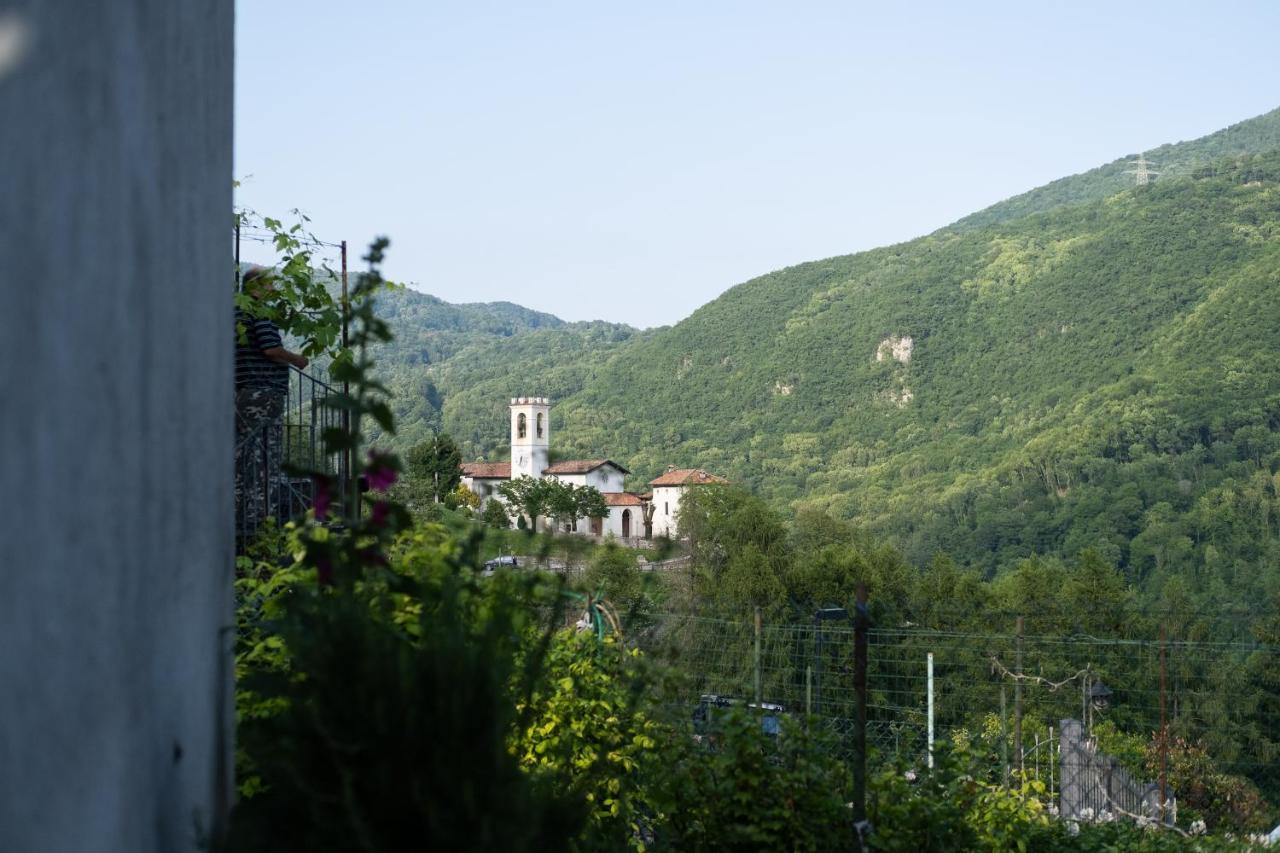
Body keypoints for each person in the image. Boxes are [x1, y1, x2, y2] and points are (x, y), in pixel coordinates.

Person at [234, 266, 309, 538]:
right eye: (269, 285)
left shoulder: (237, 313)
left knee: (244, 456)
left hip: (241, 392)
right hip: (263, 395)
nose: (273, 289)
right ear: (255, 286)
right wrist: (297, 360)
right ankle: (260, 523)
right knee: (267, 459)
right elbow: (270, 348)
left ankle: (241, 516)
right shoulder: (259, 312)